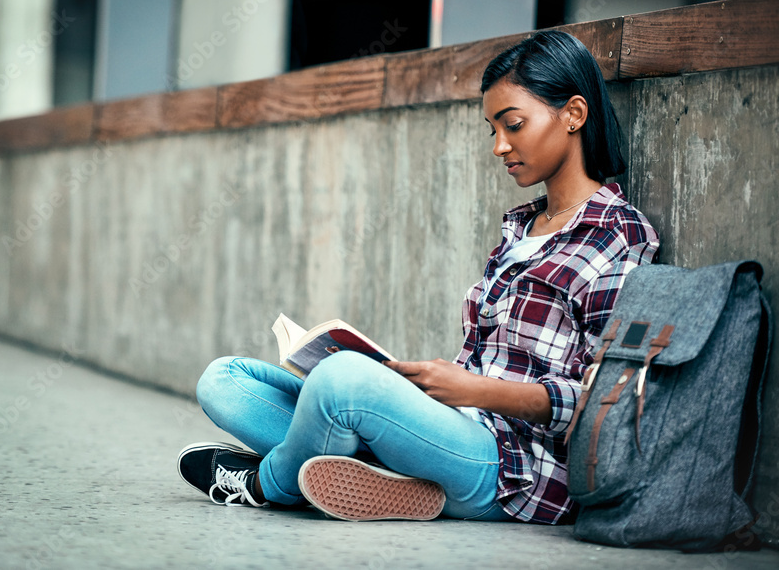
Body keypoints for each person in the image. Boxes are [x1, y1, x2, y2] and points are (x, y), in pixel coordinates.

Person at [176, 30, 660, 523]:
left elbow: (603, 401)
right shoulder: (521, 227)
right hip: (452, 426)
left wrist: (473, 390)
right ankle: (372, 474)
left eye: (513, 125)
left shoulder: (617, 236)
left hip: (511, 467)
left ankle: (270, 484)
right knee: (225, 380)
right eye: (492, 129)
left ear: (574, 114)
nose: (499, 146)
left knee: (341, 381)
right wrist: (419, 382)